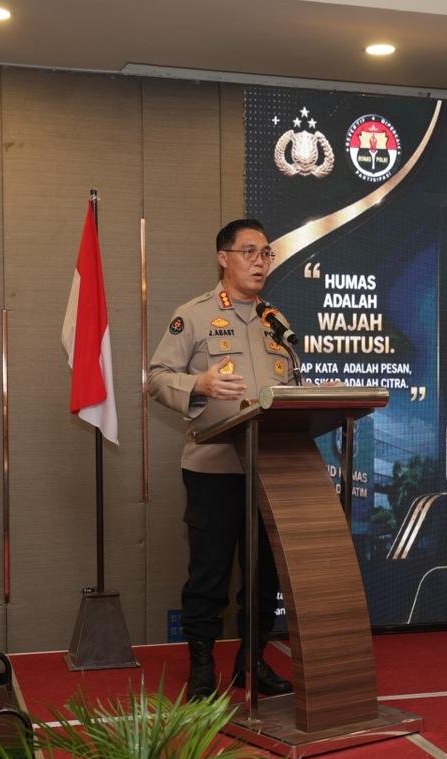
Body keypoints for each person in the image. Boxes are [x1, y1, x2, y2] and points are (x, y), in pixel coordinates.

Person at [147, 218, 296, 700]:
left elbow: (289, 390)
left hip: (269, 472)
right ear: (223, 258)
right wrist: (200, 384)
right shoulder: (193, 316)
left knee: (264, 577)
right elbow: (156, 378)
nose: (260, 261)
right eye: (249, 252)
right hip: (214, 469)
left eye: (266, 253)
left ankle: (251, 662)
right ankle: (202, 668)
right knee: (209, 575)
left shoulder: (277, 321)